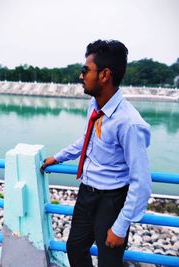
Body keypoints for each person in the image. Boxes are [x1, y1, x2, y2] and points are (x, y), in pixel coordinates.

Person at [40, 39, 151, 267]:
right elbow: (88, 139)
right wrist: (59, 157)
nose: (81, 76)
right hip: (86, 193)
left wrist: (120, 227)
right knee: (75, 248)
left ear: (104, 75)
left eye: (85, 70)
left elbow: (141, 182)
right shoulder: (95, 105)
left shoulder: (129, 123)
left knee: (109, 260)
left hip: (111, 200)